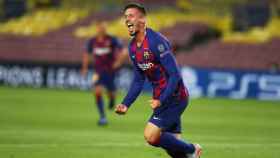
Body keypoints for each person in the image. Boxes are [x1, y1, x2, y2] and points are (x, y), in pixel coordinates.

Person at [115, 3, 202, 158]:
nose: (127, 19)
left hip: (174, 97)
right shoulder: (133, 47)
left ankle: (192, 149)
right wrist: (126, 104)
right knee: (174, 150)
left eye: (131, 15)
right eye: (125, 16)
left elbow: (175, 75)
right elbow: (138, 80)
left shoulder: (157, 42)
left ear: (142, 19)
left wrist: (161, 100)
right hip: (161, 98)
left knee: (151, 136)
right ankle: (189, 153)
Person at [82, 21, 125, 126]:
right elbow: (86, 54)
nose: (102, 29)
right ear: (97, 28)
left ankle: (112, 99)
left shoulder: (112, 39)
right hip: (98, 71)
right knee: (97, 91)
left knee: (111, 93)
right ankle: (102, 117)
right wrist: (85, 68)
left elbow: (124, 51)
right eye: (100, 27)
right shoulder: (92, 41)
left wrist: (118, 62)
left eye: (104, 27)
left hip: (110, 71)